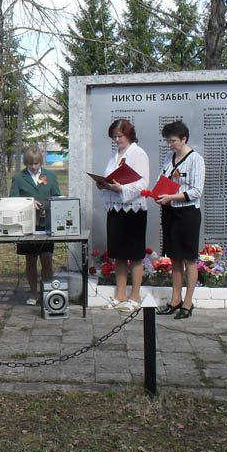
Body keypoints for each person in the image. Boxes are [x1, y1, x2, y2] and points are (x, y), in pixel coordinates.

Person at [95, 119, 150, 313]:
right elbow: (110, 177)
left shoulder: (138, 153)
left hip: (133, 210)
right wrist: (103, 184)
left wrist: (122, 188)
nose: (117, 140)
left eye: (120, 136)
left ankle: (134, 296)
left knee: (135, 255)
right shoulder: (114, 155)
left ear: (129, 134)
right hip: (115, 209)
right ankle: (120, 294)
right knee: (118, 254)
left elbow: (143, 183)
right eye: (114, 137)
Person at [155, 120, 205, 319]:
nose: (170, 145)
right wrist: (157, 194)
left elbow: (196, 190)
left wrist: (171, 197)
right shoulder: (169, 156)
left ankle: (188, 302)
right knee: (174, 257)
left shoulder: (196, 160)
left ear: (184, 139)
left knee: (189, 259)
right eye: (168, 141)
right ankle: (175, 299)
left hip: (188, 214)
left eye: (173, 141)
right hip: (170, 212)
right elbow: (163, 179)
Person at [8, 145, 61, 306]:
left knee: (47, 258)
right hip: (27, 225)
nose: (34, 167)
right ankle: (33, 291)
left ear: (40, 162)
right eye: (30, 164)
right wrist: (29, 203)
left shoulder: (50, 176)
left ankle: (47, 291)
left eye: (37, 163)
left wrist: (47, 205)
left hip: (46, 224)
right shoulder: (18, 178)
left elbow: (57, 197)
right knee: (30, 260)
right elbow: (12, 200)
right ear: (26, 163)